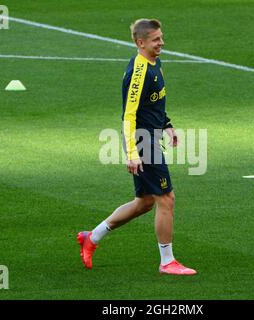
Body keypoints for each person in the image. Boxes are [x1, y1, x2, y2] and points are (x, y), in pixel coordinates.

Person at [77, 18, 196, 275]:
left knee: (144, 202)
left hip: (151, 136)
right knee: (167, 199)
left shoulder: (156, 63)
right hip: (143, 141)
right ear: (141, 42)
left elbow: (153, 104)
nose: (161, 42)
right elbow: (129, 116)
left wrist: (167, 124)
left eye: (161, 37)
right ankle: (167, 262)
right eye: (155, 39)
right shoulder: (138, 72)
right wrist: (133, 153)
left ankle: (92, 237)